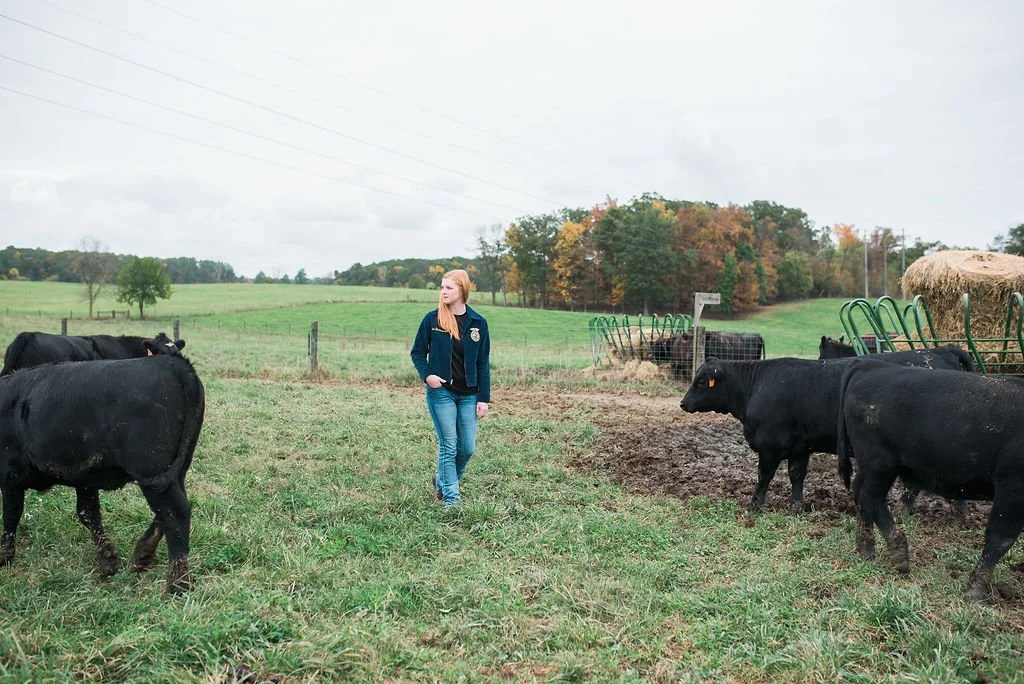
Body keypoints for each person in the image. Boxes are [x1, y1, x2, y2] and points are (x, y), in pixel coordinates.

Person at [410, 269, 490, 507]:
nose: (444, 291)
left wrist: (483, 398)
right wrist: (427, 376)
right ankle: (451, 500)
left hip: (469, 394)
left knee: (467, 448)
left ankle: (443, 481)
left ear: (462, 290)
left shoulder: (478, 323)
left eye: (449, 288)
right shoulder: (432, 320)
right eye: (442, 287)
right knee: (449, 444)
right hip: (441, 392)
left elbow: (482, 362)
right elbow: (417, 352)